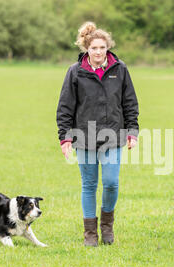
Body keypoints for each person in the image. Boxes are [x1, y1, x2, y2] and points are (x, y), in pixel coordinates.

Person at [56, 21, 139, 247]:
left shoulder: (120, 70)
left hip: (113, 136)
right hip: (84, 137)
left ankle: (107, 227)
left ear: (108, 48)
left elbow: (130, 103)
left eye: (102, 48)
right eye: (94, 48)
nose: (99, 52)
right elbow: (65, 107)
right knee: (89, 185)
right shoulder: (75, 72)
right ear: (87, 49)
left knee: (111, 183)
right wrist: (65, 137)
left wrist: (132, 132)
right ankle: (90, 233)